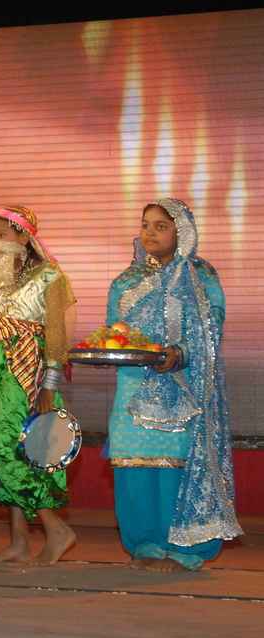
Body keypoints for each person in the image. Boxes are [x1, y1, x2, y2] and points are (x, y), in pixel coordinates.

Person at [105, 198, 242, 572]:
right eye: (145, 225)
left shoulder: (200, 276)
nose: (150, 232)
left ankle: (186, 549)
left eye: (161, 226)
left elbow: (211, 327)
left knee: (176, 466)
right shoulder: (126, 281)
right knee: (132, 464)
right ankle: (145, 545)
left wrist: (181, 353)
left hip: (184, 385)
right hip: (134, 384)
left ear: (182, 231)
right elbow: (114, 332)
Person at [0, 205, 78, 566]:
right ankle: (18, 542)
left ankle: (56, 529)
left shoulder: (49, 276)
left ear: (23, 236)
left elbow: (56, 336)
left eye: (0, 235)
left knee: (15, 450)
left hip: (26, 373)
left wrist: (49, 385)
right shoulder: (4, 281)